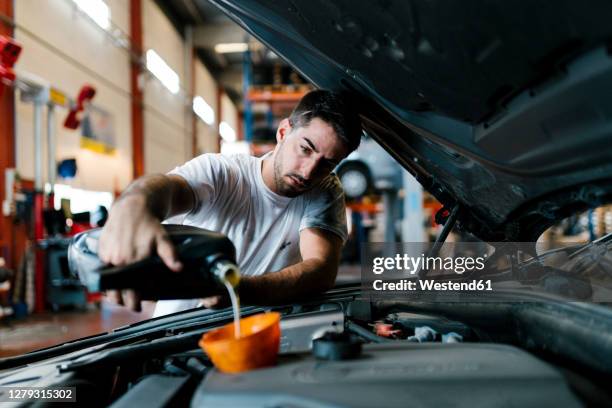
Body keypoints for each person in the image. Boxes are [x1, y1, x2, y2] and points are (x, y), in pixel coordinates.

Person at [98, 89, 362, 316]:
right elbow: (168, 189)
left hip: (254, 341)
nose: (308, 172)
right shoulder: (222, 172)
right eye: (305, 149)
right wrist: (135, 204)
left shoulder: (324, 190)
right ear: (283, 132)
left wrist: (238, 288)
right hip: (175, 335)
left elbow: (320, 269)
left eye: (327, 163)